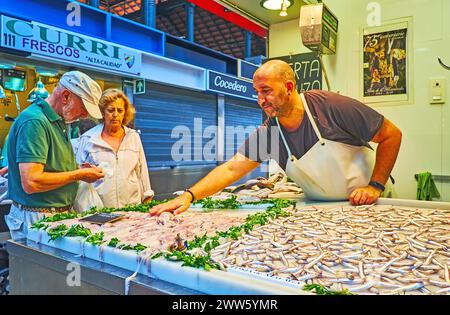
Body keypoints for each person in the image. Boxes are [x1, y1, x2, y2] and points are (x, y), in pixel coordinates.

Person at [150, 60, 402, 216]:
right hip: (323, 212)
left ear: (289, 87)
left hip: (368, 206)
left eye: (266, 91)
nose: (260, 100)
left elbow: (391, 135)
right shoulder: (270, 133)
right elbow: (231, 169)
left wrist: (375, 186)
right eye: (257, 92)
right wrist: (188, 196)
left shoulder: (330, 106)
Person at [5, 71, 105, 240]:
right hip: (37, 218)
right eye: (83, 108)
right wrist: (78, 174)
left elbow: (48, 167)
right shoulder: (35, 122)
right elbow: (31, 182)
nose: (84, 116)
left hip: (54, 215)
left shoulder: (59, 121)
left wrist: (79, 170)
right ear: (66, 96)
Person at [73, 88, 154, 208]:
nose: (115, 115)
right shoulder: (88, 139)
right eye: (110, 110)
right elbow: (78, 177)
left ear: (125, 113)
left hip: (131, 209)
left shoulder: (133, 137)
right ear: (102, 112)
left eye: (120, 110)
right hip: (99, 211)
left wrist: (147, 199)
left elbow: (142, 172)